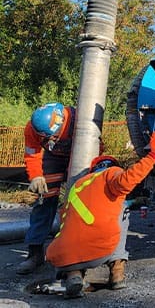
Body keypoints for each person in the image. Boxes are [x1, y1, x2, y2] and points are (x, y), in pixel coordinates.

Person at [45, 128, 155, 298]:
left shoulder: (78, 185)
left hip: (61, 255)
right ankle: (117, 273)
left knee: (73, 232)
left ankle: (74, 276)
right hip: (102, 250)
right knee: (122, 211)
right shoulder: (110, 174)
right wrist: (154, 156)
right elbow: (127, 181)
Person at [17, 102, 76, 275]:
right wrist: (36, 176)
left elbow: (96, 145)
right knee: (44, 201)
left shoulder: (79, 121)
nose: (48, 142)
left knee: (81, 203)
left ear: (61, 123)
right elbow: (32, 153)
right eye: (44, 139)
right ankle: (35, 254)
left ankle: (77, 251)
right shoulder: (33, 129)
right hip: (54, 158)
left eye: (51, 138)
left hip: (81, 154)